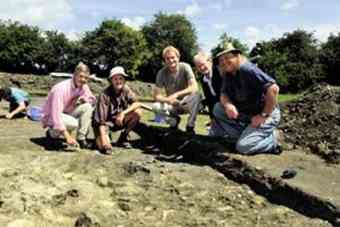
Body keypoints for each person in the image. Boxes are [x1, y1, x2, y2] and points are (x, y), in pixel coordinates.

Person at [212, 42, 281, 155]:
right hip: (248, 115)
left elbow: (273, 89)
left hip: (266, 114)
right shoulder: (227, 73)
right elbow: (223, 94)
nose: (224, 62)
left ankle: (273, 140)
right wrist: (229, 105)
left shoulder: (247, 69)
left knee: (243, 147)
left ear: (237, 56)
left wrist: (263, 115)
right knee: (218, 108)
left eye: (227, 57)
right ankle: (247, 135)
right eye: (221, 60)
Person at [92, 66, 157, 154]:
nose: (118, 81)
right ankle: (102, 140)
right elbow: (101, 121)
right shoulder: (104, 95)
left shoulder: (126, 89)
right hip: (105, 124)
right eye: (115, 79)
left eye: (120, 78)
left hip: (119, 120)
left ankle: (123, 137)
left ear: (124, 80)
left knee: (138, 112)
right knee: (104, 147)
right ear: (111, 80)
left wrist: (123, 113)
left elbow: (137, 103)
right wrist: (104, 141)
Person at [41, 62, 96, 149]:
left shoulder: (83, 86)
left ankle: (81, 139)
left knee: (88, 107)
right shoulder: (61, 89)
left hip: (67, 112)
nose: (83, 80)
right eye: (81, 76)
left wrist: (83, 99)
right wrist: (68, 137)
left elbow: (92, 99)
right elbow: (56, 115)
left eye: (86, 78)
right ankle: (52, 134)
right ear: (74, 75)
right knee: (74, 123)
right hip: (51, 116)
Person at [153, 46, 201, 134]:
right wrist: (168, 100)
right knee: (156, 107)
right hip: (172, 105)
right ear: (164, 60)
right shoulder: (161, 72)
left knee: (197, 95)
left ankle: (190, 126)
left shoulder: (185, 67)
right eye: (167, 58)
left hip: (185, 102)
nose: (171, 60)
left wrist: (176, 95)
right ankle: (174, 122)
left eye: (173, 57)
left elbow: (194, 87)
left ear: (178, 58)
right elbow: (157, 96)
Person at [193, 52, 223, 126]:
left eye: (203, 64)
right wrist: (212, 118)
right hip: (218, 109)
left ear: (210, 61)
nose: (201, 68)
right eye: (198, 66)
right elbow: (209, 100)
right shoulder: (203, 79)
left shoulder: (220, 72)